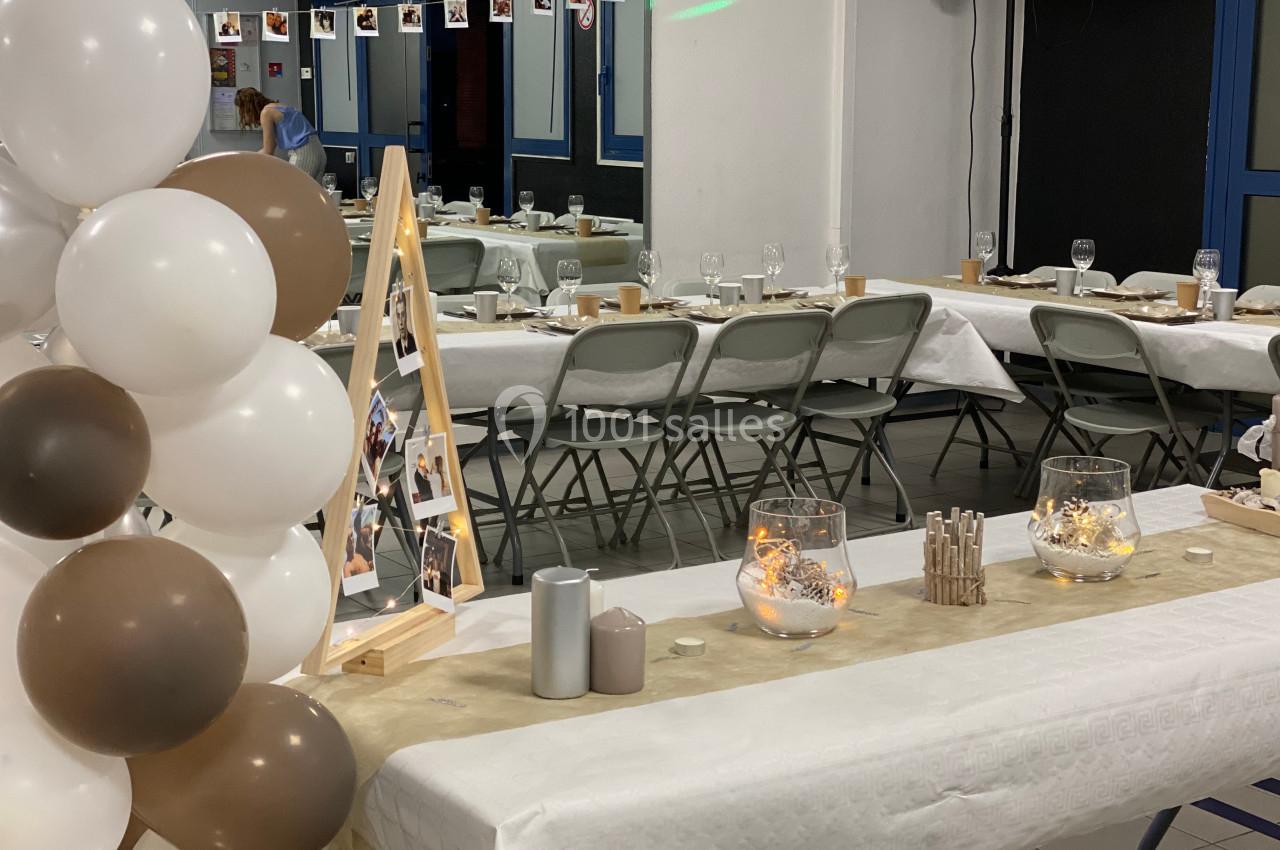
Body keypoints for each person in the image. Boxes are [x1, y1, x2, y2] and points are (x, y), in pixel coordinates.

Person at [235, 87, 326, 182]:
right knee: (312, 194)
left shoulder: (266, 113)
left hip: (304, 152)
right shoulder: (278, 106)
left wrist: (246, 160)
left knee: (292, 192)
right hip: (318, 149)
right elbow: (271, 146)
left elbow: (268, 151)